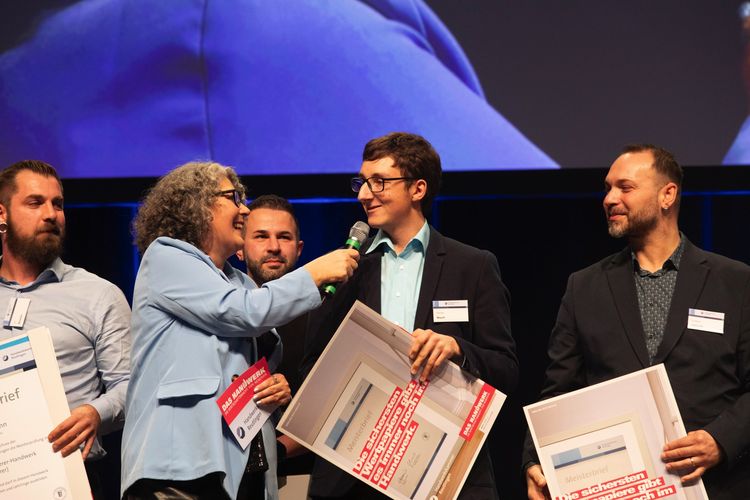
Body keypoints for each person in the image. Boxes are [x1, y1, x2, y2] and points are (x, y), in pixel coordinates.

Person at [121, 162, 359, 500]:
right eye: (233, 198)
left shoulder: (238, 281)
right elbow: (243, 312)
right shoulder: (166, 257)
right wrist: (313, 274)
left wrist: (272, 385)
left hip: (241, 470)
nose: (244, 210)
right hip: (180, 471)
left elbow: (251, 347)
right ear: (197, 204)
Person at [524, 144, 750, 500]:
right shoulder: (585, 286)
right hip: (618, 487)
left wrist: (720, 440)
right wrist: (535, 460)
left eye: (625, 188)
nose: (609, 199)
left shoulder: (735, 281)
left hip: (715, 486)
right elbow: (559, 390)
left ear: (667, 195)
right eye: (607, 188)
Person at [302, 132, 519, 499]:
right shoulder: (347, 267)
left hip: (441, 469)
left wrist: (457, 348)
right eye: (361, 182)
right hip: (356, 470)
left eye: (379, 182)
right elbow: (312, 366)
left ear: (418, 189)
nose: (363, 194)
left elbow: (506, 370)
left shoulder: (472, 266)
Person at [0, 160, 131, 499]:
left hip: (67, 478)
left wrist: (95, 413)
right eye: (35, 202)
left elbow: (131, 386)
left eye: (57, 204)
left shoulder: (98, 294)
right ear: (2, 214)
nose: (50, 214)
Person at [236, 194, 312, 476]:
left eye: (284, 237)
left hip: (301, 475)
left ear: (299, 248)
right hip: (231, 475)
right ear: (239, 248)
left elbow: (336, 403)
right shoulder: (221, 312)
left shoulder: (322, 312)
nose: (274, 247)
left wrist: (277, 450)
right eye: (261, 236)